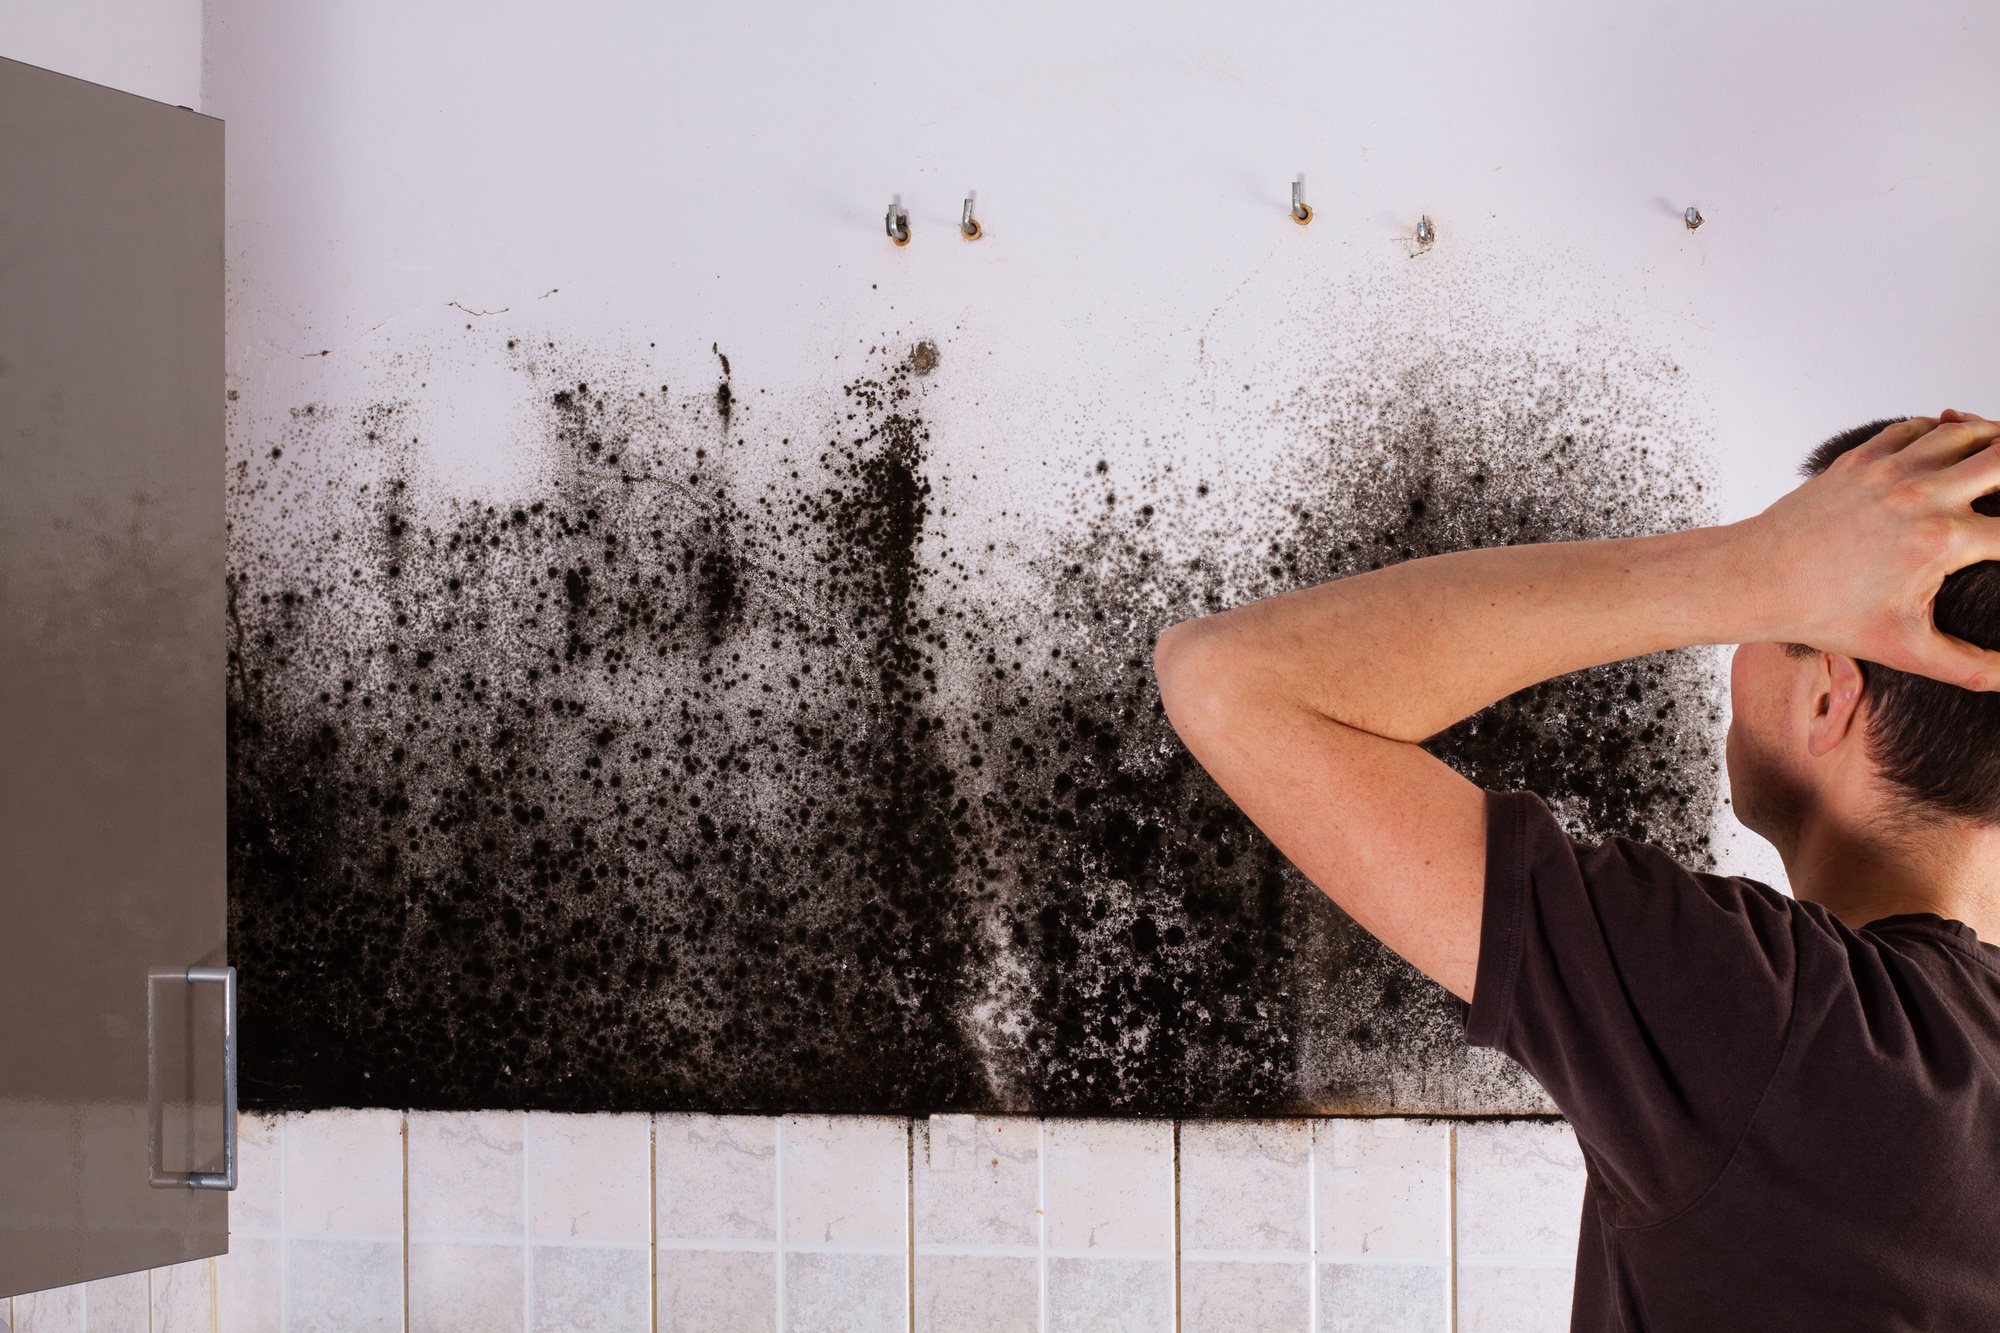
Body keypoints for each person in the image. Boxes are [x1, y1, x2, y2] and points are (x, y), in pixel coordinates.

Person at [1154, 412, 2000, 1329]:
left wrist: (1755, 566)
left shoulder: (1785, 1025)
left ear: (1831, 691)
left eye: (1782, 616)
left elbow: (1230, 678)